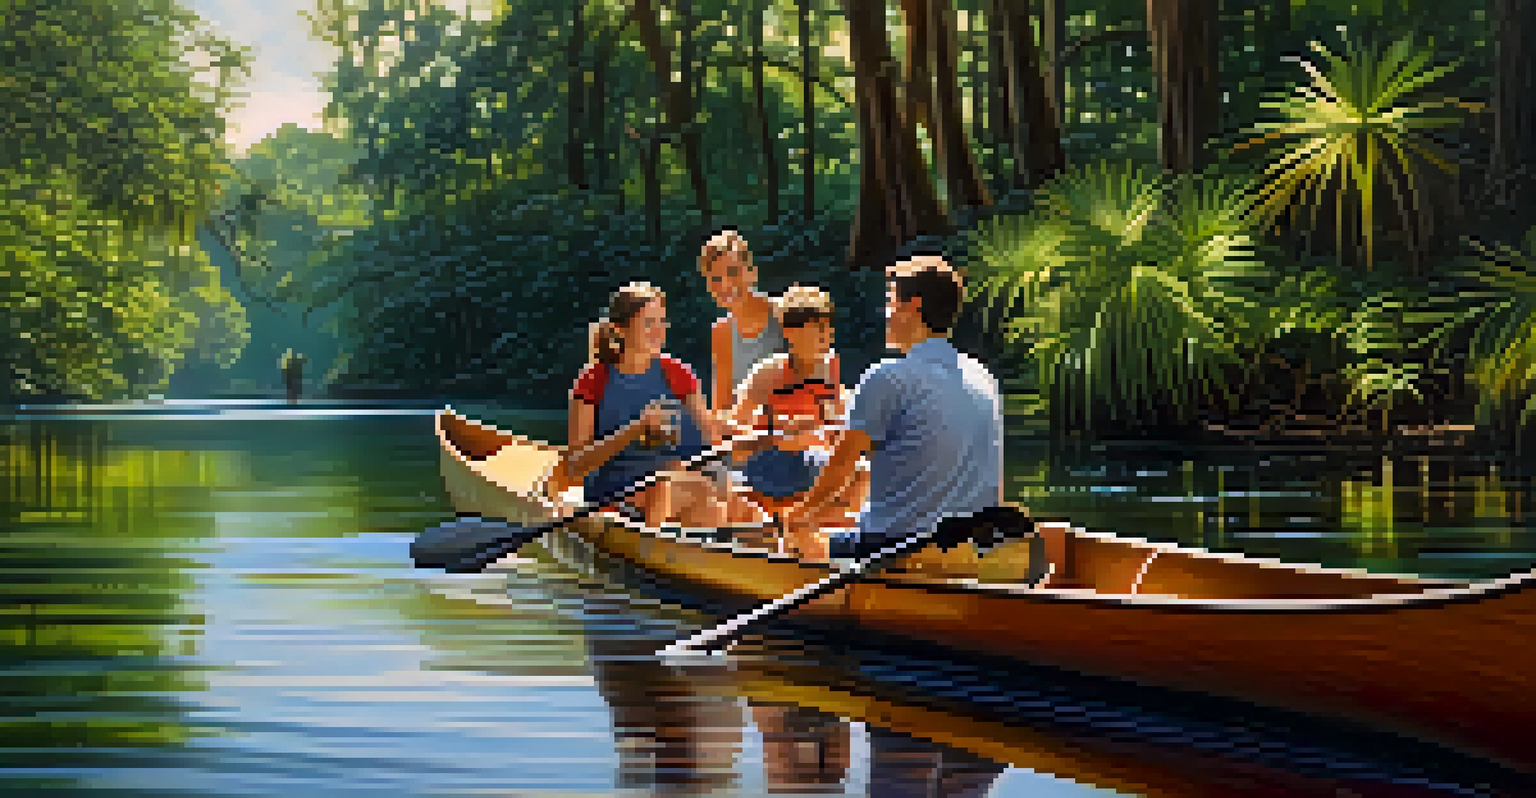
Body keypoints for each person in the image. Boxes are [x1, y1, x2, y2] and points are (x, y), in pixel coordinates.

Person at [780, 255, 1004, 559]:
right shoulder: (984, 378)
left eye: (889, 302)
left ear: (913, 306)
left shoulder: (887, 377)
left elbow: (841, 468)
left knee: (798, 540)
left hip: (899, 547)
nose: (884, 313)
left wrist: (800, 517)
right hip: (975, 551)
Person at [563, 282, 733, 529]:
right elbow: (575, 466)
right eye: (648, 323)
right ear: (620, 329)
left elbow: (708, 437)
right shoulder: (593, 380)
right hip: (611, 494)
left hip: (671, 487)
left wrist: (739, 433)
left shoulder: (678, 374)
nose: (659, 330)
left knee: (729, 496)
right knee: (679, 488)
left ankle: (689, 544)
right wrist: (635, 429)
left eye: (662, 322)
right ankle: (654, 543)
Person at [725, 285, 869, 558]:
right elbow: (732, 437)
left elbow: (842, 438)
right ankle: (787, 535)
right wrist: (777, 436)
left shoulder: (833, 379)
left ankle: (815, 538)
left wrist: (828, 432)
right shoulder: (767, 375)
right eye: (819, 329)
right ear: (790, 332)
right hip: (767, 462)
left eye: (829, 328)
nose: (828, 336)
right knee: (736, 493)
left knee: (861, 471)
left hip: (811, 465)